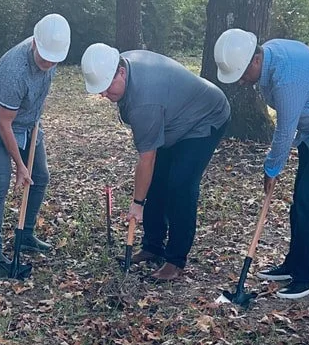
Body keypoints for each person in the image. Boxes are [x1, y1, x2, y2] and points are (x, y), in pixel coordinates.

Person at [214, 29, 309, 299]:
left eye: (242, 75)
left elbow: (285, 130)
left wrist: (272, 169)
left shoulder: (286, 77)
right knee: (301, 201)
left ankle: (308, 277)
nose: (240, 83)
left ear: (255, 61)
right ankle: (294, 264)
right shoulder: (271, 54)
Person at [81, 44, 230, 281]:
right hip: (173, 119)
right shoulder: (123, 64)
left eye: (107, 87)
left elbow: (146, 160)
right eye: (100, 90)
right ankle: (153, 246)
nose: (104, 95)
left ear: (120, 72)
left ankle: (175, 260)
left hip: (204, 118)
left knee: (180, 185)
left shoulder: (144, 102)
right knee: (158, 181)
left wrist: (137, 204)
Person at [0, 14, 71, 276]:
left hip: (29, 123)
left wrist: (35, 121)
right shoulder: (14, 71)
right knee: (1, 180)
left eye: (53, 60)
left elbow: (41, 91)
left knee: (40, 176)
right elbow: (3, 123)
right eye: (44, 58)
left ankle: (26, 234)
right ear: (34, 45)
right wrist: (19, 164)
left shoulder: (53, 54)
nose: (48, 63)